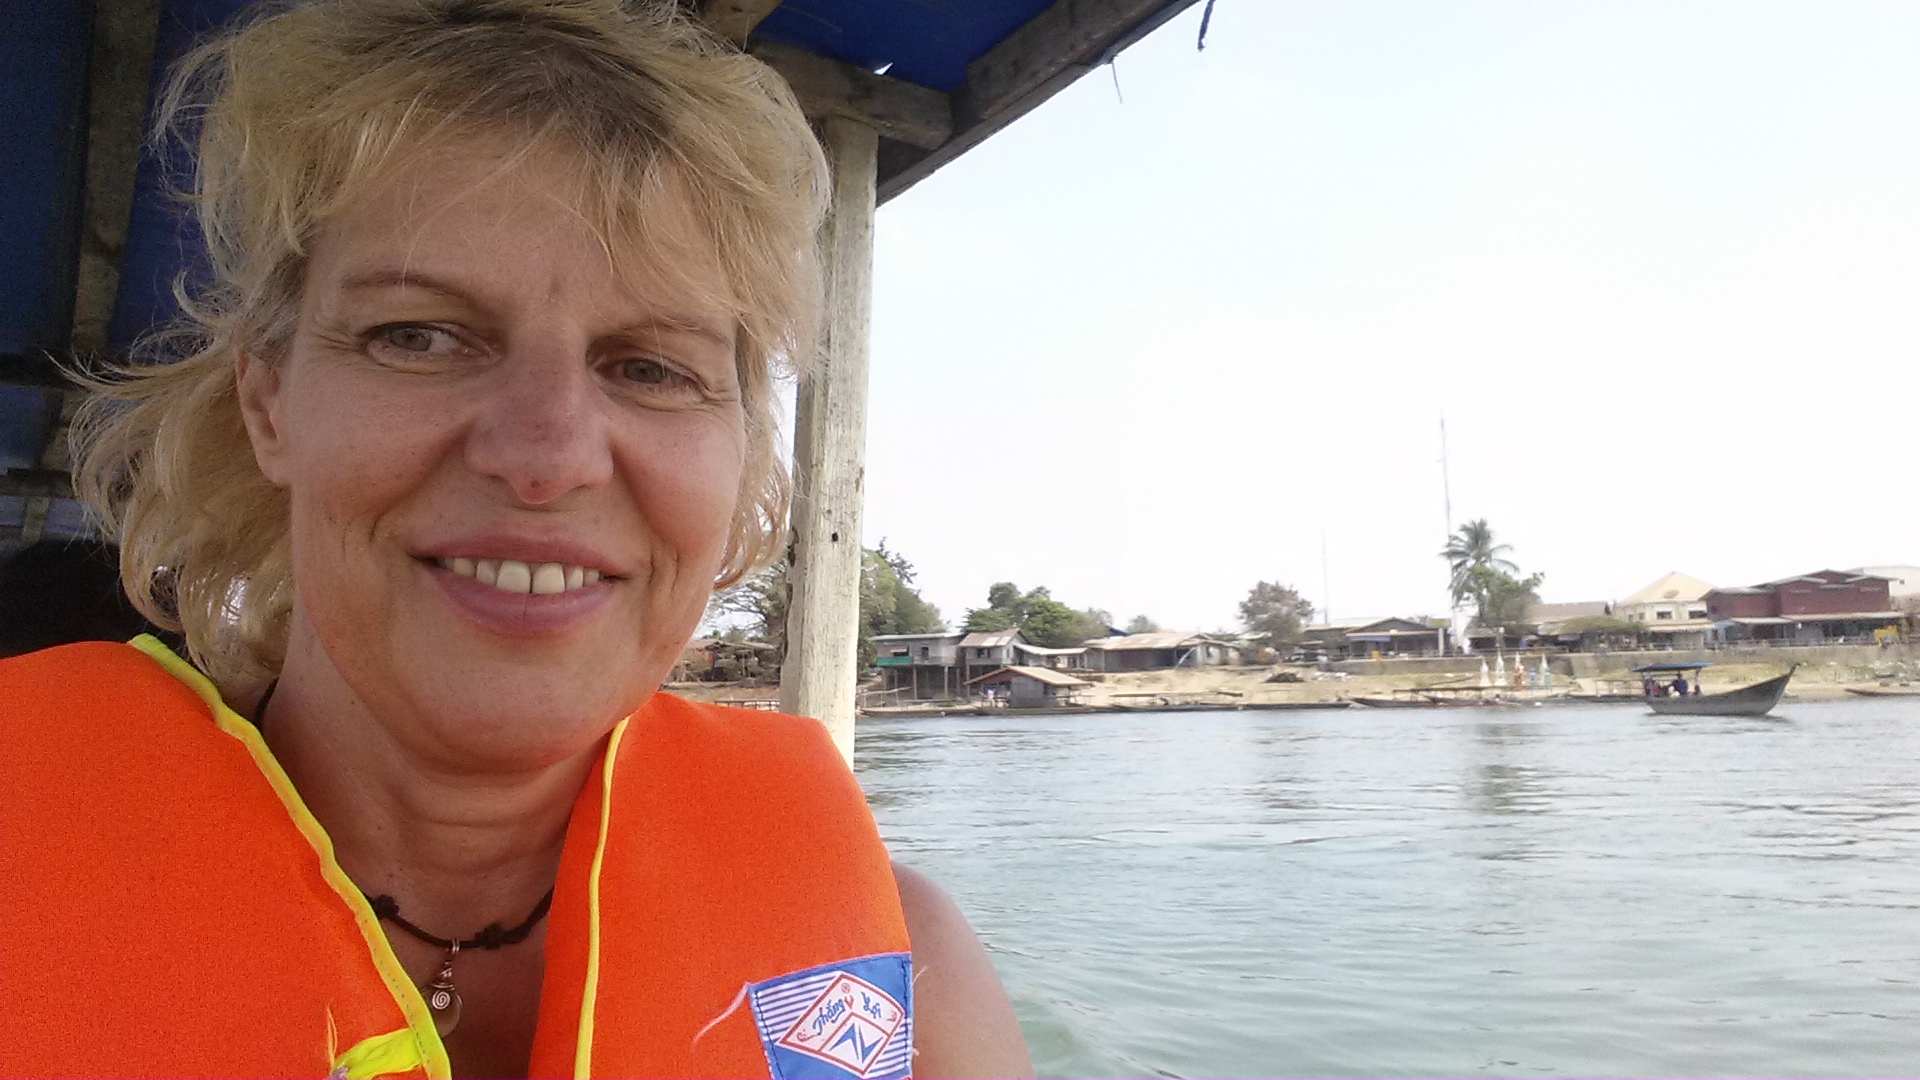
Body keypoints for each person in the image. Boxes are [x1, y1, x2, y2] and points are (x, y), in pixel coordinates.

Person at [0, 3, 1031, 1079]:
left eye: (651, 367)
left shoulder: (915, 989)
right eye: (418, 336)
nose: (548, 454)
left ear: (740, 456)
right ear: (268, 405)